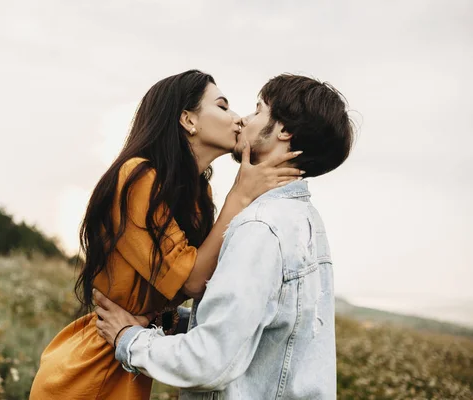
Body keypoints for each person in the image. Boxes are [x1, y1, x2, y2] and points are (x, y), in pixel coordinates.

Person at [29, 70, 303, 399]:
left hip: (128, 355)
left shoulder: (199, 196)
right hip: (90, 369)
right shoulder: (138, 177)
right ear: (188, 120)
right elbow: (190, 281)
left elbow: (195, 286)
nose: (238, 119)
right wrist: (240, 196)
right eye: (223, 106)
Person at [93, 73, 355, 399]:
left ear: (285, 131)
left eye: (257, 111)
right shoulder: (306, 222)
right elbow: (267, 328)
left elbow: (208, 362)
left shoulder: (261, 228)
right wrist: (175, 321)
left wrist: (127, 337)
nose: (242, 119)